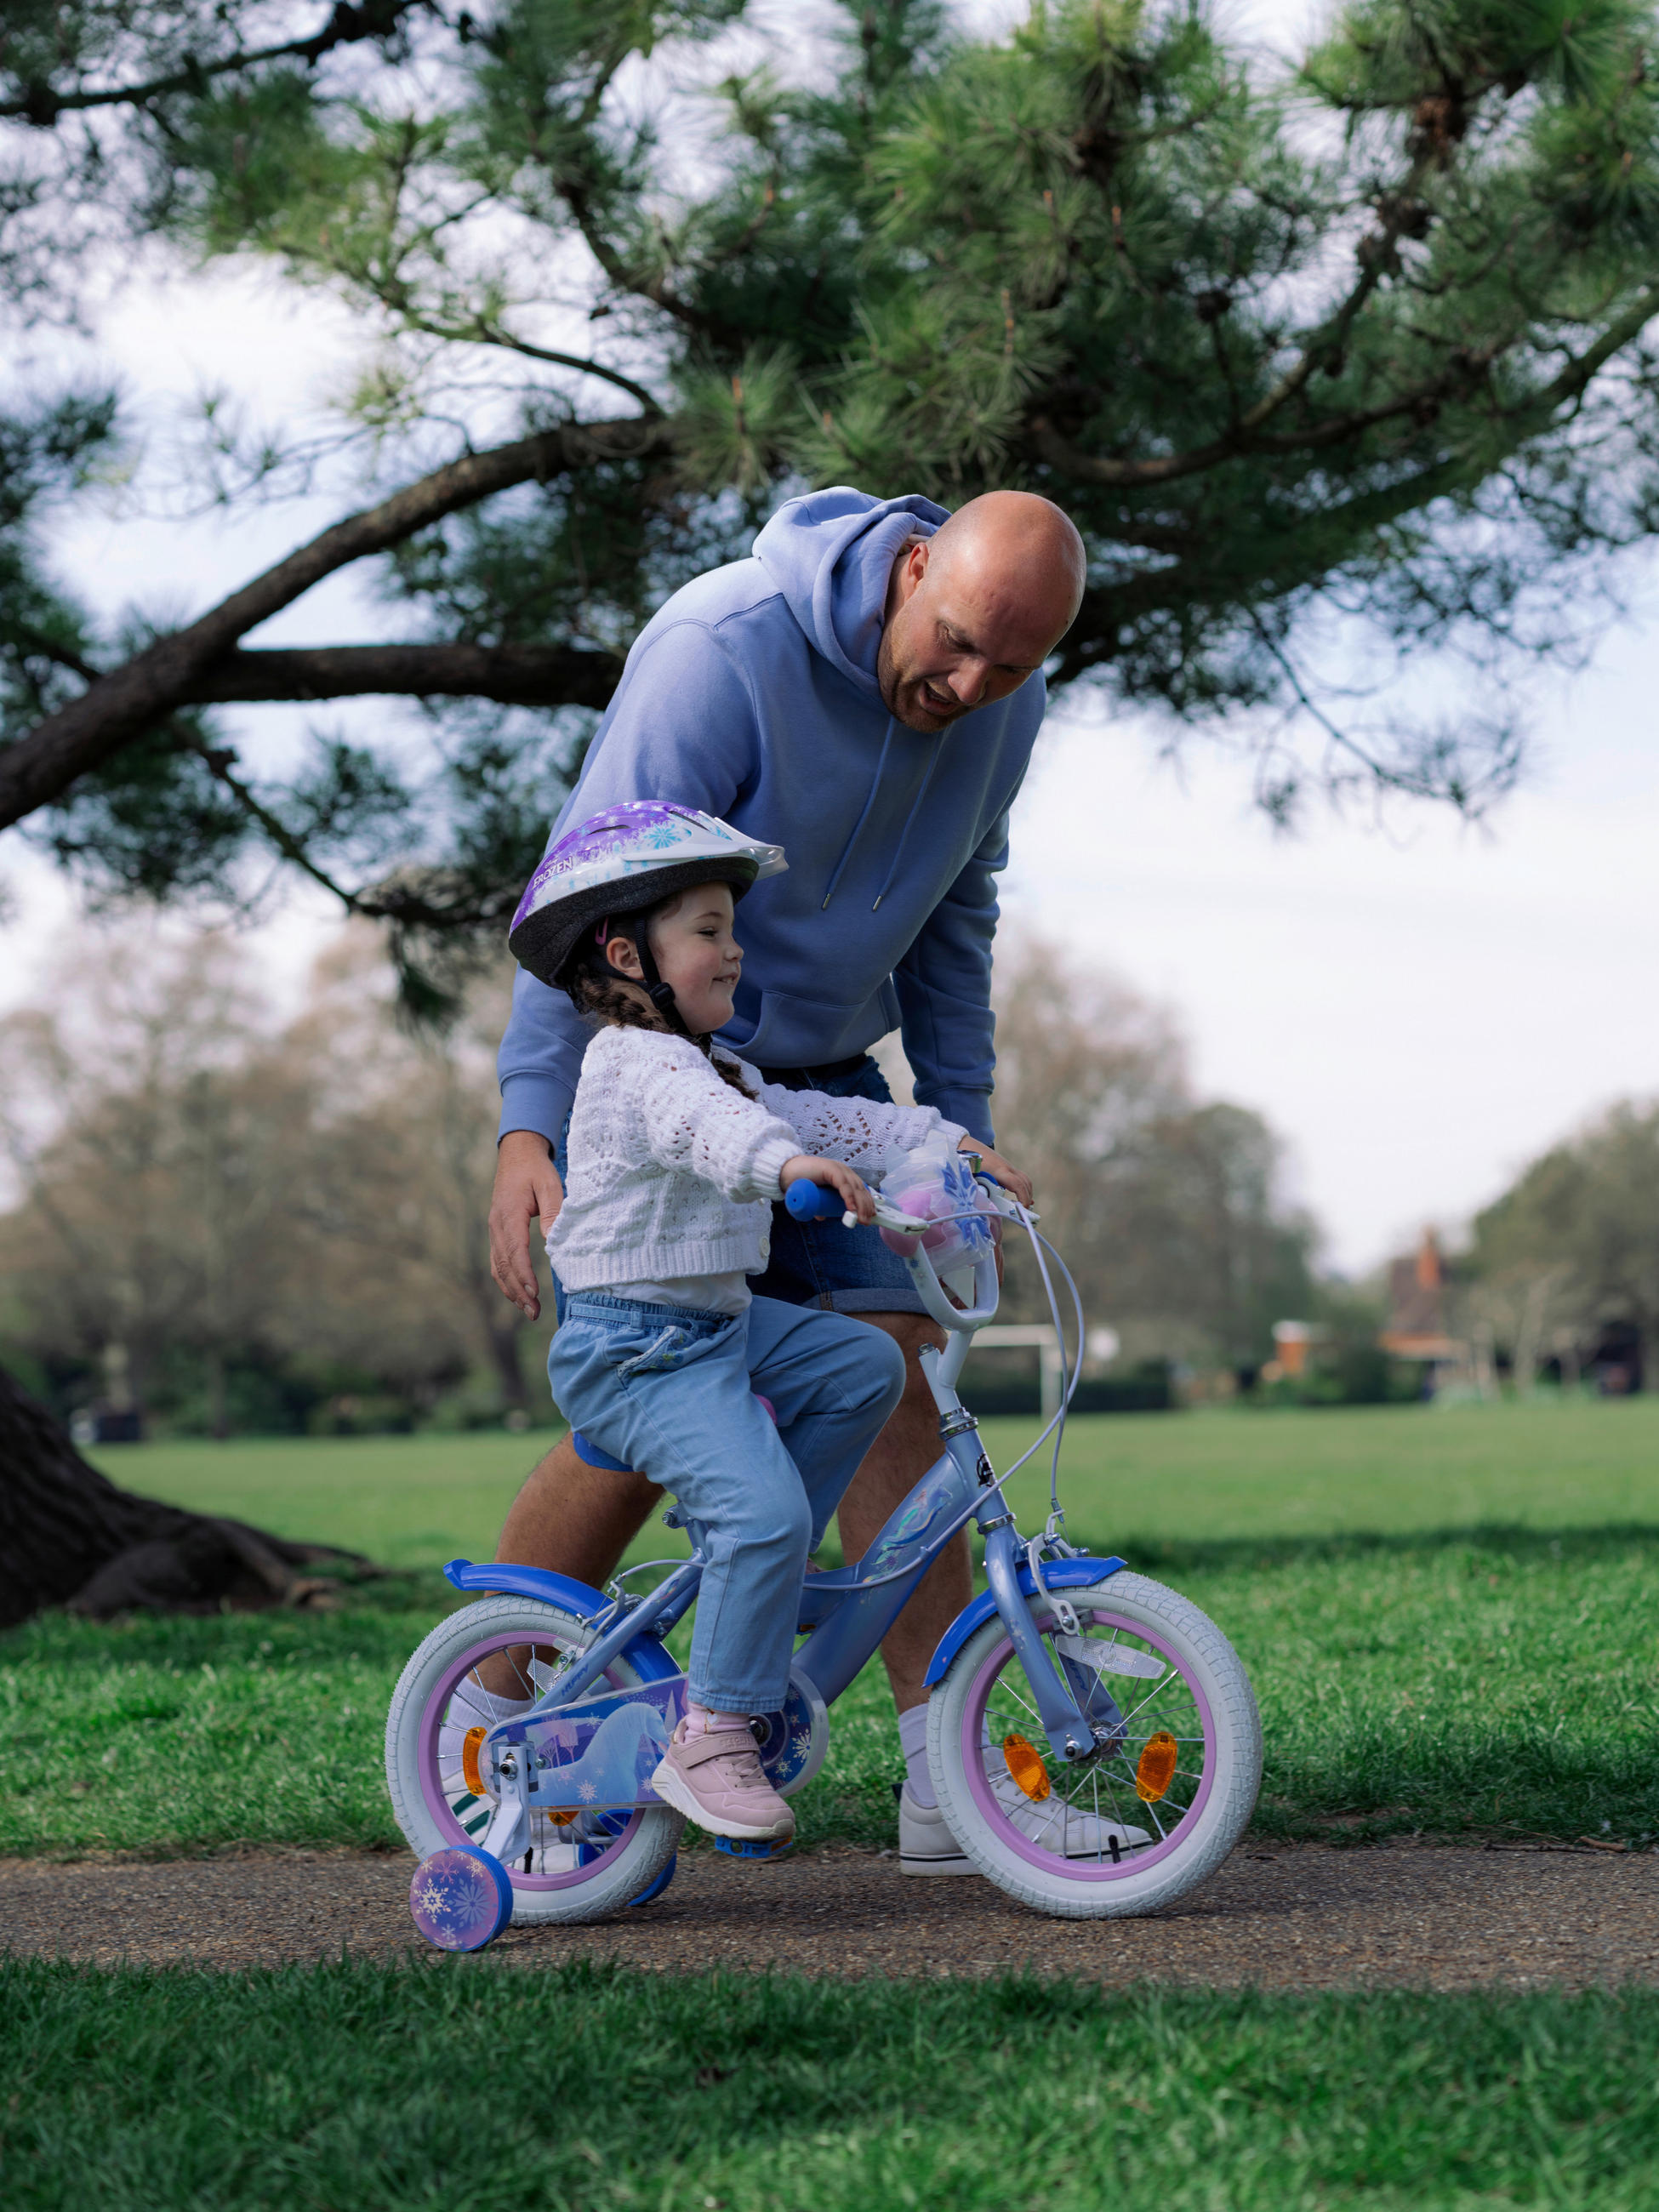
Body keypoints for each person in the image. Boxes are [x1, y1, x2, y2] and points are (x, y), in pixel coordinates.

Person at [489, 484, 1085, 1871]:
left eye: (1013, 665)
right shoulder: (722, 650)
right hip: (667, 1092)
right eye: (957, 644)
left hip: (825, 1098)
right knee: (641, 1419)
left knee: (900, 1378)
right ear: (917, 565)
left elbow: (957, 915)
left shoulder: (1005, 706)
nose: (972, 687)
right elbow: (583, 882)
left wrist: (958, 1127)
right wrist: (530, 1118)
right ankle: (493, 1731)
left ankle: (950, 1785)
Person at [518, 801, 992, 1844]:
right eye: (705, 929)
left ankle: (762, 1566)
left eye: (733, 927)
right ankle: (712, 1732)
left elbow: (815, 1113)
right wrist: (783, 1169)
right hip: (633, 1347)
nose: (733, 950)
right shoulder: (639, 1064)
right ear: (625, 950)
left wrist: (945, 1139)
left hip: (714, 1326)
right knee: (766, 1510)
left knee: (864, 1365)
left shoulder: (714, 1062)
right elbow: (722, 1134)